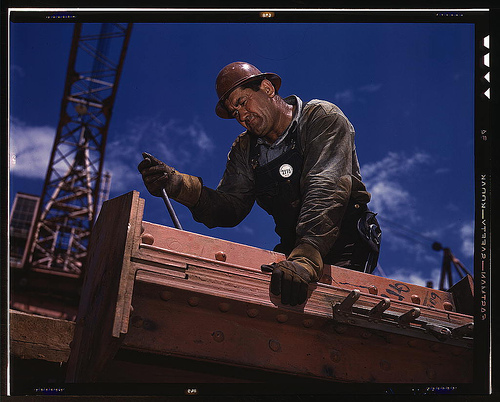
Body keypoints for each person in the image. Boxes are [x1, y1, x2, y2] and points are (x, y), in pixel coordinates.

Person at [138, 61, 381, 306]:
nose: (242, 116)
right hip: (293, 253)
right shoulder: (245, 149)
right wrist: (177, 185)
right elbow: (230, 206)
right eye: (235, 113)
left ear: (267, 88)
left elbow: (326, 187)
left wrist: (306, 257)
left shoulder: (321, 117)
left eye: (243, 102)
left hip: (343, 248)